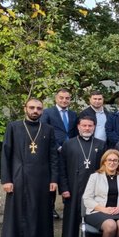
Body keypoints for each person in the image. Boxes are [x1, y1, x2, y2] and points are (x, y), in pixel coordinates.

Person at [0, 98, 58, 237]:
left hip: (42, 181)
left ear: (42, 111)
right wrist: (6, 180)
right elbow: (6, 154)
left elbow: (53, 156)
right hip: (18, 179)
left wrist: (54, 179)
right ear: (25, 108)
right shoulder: (14, 127)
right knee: (17, 218)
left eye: (39, 108)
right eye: (32, 108)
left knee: (42, 217)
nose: (35, 111)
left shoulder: (48, 129)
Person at [59, 114, 106, 237]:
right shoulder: (69, 144)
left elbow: (104, 168)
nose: (87, 128)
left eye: (90, 126)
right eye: (84, 125)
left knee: (93, 216)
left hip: (94, 190)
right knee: (73, 217)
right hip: (73, 188)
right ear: (78, 127)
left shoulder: (100, 144)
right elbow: (62, 168)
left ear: (94, 127)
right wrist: (64, 188)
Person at [41, 88, 78, 220]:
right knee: (53, 179)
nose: (64, 100)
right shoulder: (47, 113)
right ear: (56, 98)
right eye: (61, 98)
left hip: (70, 152)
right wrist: (57, 147)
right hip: (54, 152)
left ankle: (67, 205)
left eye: (67, 98)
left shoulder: (73, 114)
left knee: (68, 178)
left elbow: (74, 133)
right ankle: (50, 208)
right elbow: (44, 132)